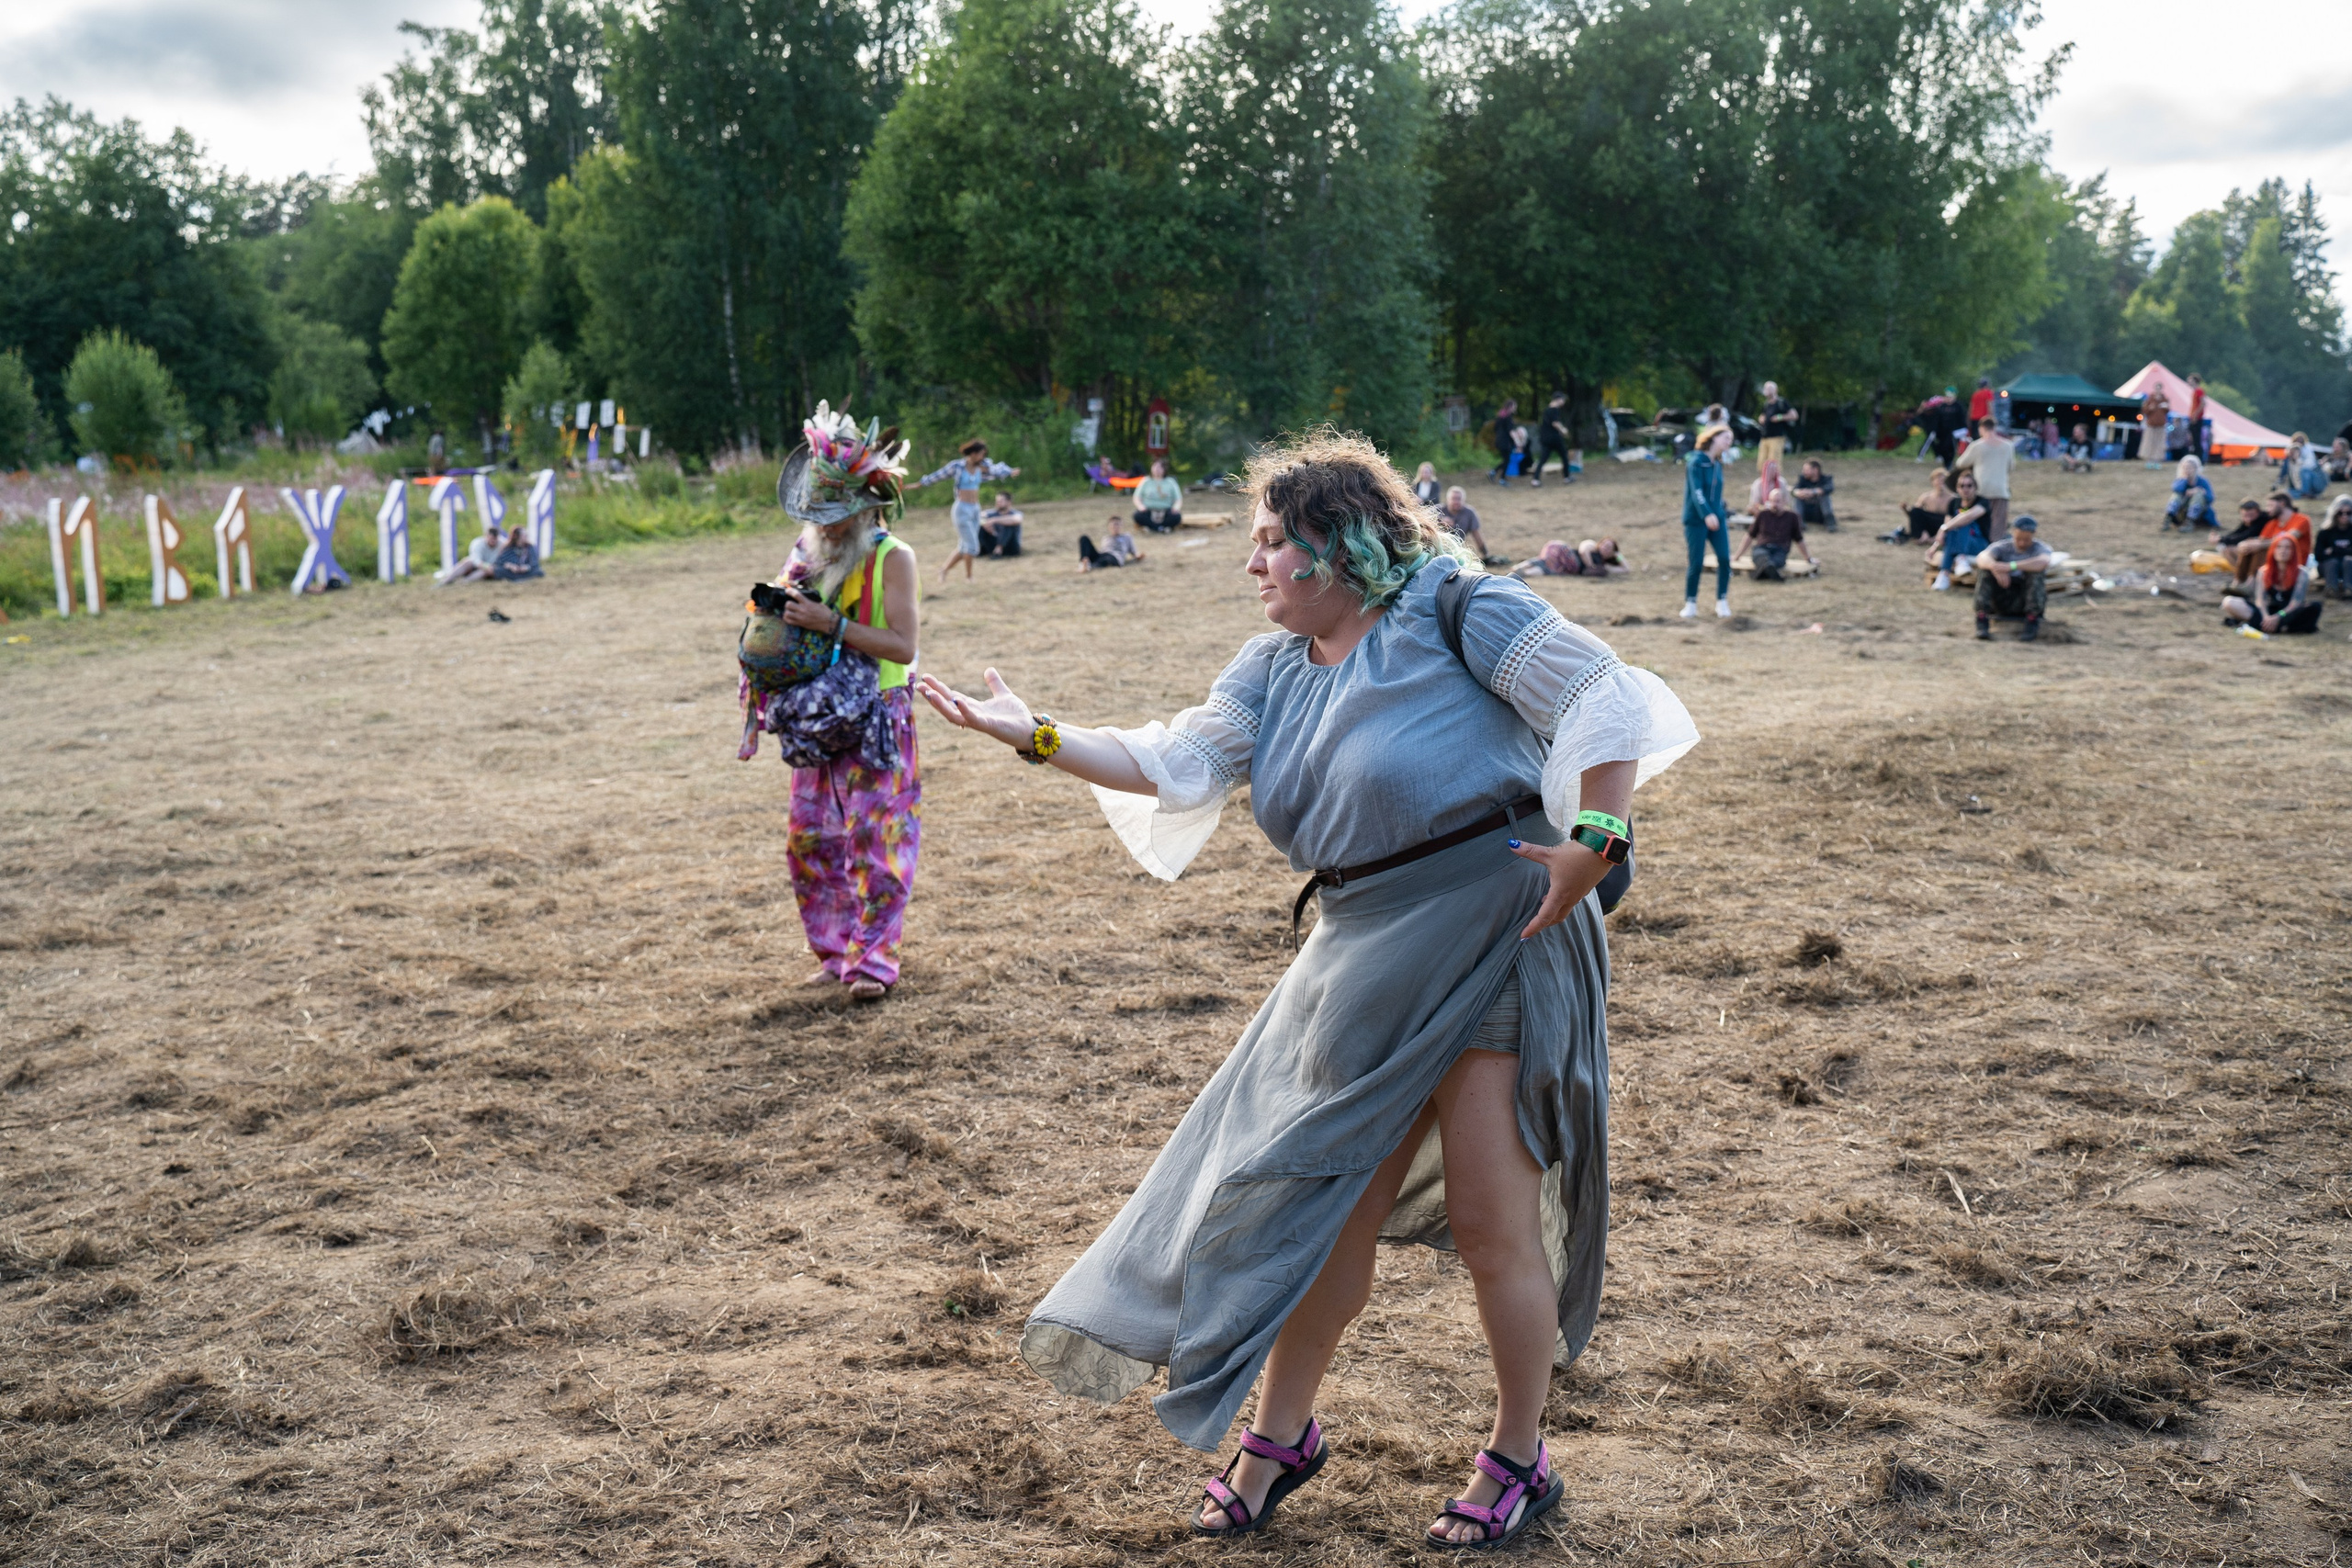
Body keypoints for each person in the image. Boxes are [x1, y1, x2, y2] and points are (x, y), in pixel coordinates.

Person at [913, 429, 1698, 1550]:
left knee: (1489, 1223)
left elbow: (1603, 694)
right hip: (1360, 953)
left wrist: (1598, 835)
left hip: (1498, 924)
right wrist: (1034, 735)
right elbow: (1177, 761)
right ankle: (1282, 1436)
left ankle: (1518, 1458)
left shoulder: (1458, 609)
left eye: (1274, 541)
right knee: (1320, 1206)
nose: (1255, 564)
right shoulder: (1272, 666)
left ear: (1337, 546)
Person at [768, 406, 922, 1002]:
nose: (825, 528)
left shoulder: (894, 557)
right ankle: (835, 952)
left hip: (880, 716)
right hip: (818, 719)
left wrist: (832, 624)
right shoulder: (808, 556)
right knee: (811, 842)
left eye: (835, 517)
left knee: (878, 844)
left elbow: (903, 645)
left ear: (865, 506)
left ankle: (874, 960)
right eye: (818, 517)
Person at [917, 438, 1020, 584]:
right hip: (962, 509)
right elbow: (939, 475)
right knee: (972, 547)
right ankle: (969, 577)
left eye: (984, 454)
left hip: (975, 508)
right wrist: (921, 483)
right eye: (980, 454)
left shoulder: (982, 467)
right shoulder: (957, 466)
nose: (982, 457)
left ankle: (945, 570)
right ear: (972, 453)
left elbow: (997, 470)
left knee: (964, 546)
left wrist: (1010, 472)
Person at [1681, 423, 1734, 619]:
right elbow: (1697, 491)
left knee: (1725, 558)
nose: (1729, 442)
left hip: (1717, 518)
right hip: (1696, 520)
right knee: (1696, 562)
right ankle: (1691, 602)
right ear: (1713, 437)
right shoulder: (1696, 461)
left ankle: (1722, 600)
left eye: (1731, 439)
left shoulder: (1717, 464)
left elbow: (1716, 494)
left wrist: (1719, 511)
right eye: (1726, 437)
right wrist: (1706, 514)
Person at [1973, 513, 2051, 641]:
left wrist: (2011, 566)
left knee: (2036, 573)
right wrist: (1995, 568)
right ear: (2013, 533)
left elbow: (2043, 562)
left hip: (2024, 598)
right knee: (1985, 571)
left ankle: (2032, 620)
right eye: (2018, 539)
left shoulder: (2040, 548)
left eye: (2026, 540)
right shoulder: (2002, 546)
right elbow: (1982, 558)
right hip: (2001, 596)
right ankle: (1982, 618)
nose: (2022, 543)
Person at [2222, 535, 2322, 635]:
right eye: (2279, 547)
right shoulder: (2264, 572)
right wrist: (2266, 616)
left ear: (2293, 551)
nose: (2283, 551)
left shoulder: (2302, 573)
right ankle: (2272, 625)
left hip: (2287, 613)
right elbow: (2260, 600)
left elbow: (2296, 603)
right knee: (2229, 602)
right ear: (2273, 550)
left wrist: (2278, 616)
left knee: (2315, 607)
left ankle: (2265, 625)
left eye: (2288, 548)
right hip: (2268, 611)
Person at [1925, 469, 1992, 590]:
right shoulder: (1953, 503)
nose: (1965, 489)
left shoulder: (1983, 502)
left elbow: (1969, 516)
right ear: (1957, 488)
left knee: (1962, 521)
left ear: (1975, 487)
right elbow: (1946, 527)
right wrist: (1934, 547)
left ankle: (1950, 568)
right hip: (1956, 543)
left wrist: (1943, 528)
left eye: (1969, 485)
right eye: (1962, 486)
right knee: (1953, 529)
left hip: (1979, 544)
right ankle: (1948, 571)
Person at [1951, 416, 2014, 539]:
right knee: (1998, 522)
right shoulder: (2008, 445)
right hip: (2000, 489)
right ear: (1994, 428)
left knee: (1978, 518)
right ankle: (1995, 545)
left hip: (1980, 489)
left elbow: (1960, 463)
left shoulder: (1977, 445)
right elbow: (2011, 467)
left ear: (1981, 428)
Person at [1742, 486, 1814, 581]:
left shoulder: (1792, 517)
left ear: (1784, 501)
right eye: (1772, 501)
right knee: (1761, 556)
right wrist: (1737, 556)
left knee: (1777, 560)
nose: (1774, 504)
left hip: (1780, 549)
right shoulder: (1762, 515)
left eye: (1777, 501)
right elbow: (1750, 536)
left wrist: (1808, 558)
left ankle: (1762, 572)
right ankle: (1769, 570)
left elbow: (1799, 539)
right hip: (1762, 547)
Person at [1440, 486, 1510, 567]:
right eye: (1454, 498)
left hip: (1456, 549)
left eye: (1459, 499)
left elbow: (1477, 534)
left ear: (1463, 500)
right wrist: (1440, 522)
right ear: (1448, 499)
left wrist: (1486, 554)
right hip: (1437, 546)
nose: (1456, 501)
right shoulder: (1438, 510)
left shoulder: (1469, 513)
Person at [1884, 468, 1954, 543]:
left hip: (1944, 524)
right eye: (1939, 480)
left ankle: (1936, 538)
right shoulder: (1926, 497)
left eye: (1944, 480)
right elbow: (1914, 516)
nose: (1941, 482)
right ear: (1933, 482)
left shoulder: (1953, 498)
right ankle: (1922, 535)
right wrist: (1905, 509)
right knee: (1915, 510)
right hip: (1930, 525)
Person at [1510, 538, 1627, 579]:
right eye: (1604, 545)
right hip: (1566, 554)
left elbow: (1626, 569)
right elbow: (1583, 551)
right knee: (1546, 563)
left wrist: (1618, 555)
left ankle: (1521, 571)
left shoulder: (1604, 565)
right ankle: (1520, 569)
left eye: (1609, 548)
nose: (1605, 548)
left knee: (1547, 567)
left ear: (1612, 553)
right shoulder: (1592, 546)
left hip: (1567, 568)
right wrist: (1591, 565)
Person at [434, 523, 505, 585]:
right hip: (477, 565)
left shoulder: (502, 544)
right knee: (467, 561)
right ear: (486, 536)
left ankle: (463, 582)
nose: (493, 541)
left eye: (495, 539)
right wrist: (485, 566)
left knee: (485, 571)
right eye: (491, 539)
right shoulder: (478, 544)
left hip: (489, 570)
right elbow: (476, 560)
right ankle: (447, 580)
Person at [2312, 495, 2352, 600]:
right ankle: (2331, 589)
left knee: (2348, 561)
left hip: (2348, 566)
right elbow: (2318, 555)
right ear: (2335, 513)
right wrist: (2346, 551)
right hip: (2329, 567)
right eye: (2340, 513)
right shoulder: (2325, 532)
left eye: (2348, 513)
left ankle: (2349, 588)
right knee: (2332, 562)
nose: (2344, 516)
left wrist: (2334, 550)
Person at [1530, 393, 1574, 485]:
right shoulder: (1555, 409)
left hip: (1545, 438)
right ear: (1558, 399)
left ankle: (1535, 479)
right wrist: (1563, 430)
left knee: (1543, 458)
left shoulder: (1547, 410)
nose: (1564, 402)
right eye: (1563, 400)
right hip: (1554, 438)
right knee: (1564, 456)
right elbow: (1555, 423)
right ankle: (1567, 477)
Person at [2165, 457, 2215, 532]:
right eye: (2185, 468)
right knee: (2176, 495)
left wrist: (2199, 491)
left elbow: (2210, 498)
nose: (2187, 470)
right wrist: (2184, 480)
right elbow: (2176, 489)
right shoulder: (2180, 480)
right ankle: (2168, 519)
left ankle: (2189, 523)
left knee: (2199, 494)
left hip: (2199, 513)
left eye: (2190, 468)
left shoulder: (2203, 481)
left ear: (2195, 469)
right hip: (2182, 511)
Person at [1078, 513, 1143, 572]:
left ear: (1121, 526)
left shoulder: (1127, 537)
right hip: (1103, 555)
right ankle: (1083, 563)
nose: (1116, 527)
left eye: (1118, 524)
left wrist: (1138, 556)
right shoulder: (1105, 538)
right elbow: (1103, 551)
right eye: (1114, 525)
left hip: (1115, 557)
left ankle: (1089, 567)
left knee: (1107, 560)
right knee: (1084, 538)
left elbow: (1134, 552)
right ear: (1109, 527)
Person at [1134, 457, 1184, 532]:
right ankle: (1159, 528)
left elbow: (1178, 499)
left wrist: (1175, 508)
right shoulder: (1146, 481)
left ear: (1164, 469)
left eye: (1160, 467)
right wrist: (1141, 507)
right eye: (1155, 467)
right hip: (1148, 511)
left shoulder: (1171, 482)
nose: (1157, 469)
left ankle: (1156, 528)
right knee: (1137, 516)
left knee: (1177, 517)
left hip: (1166, 511)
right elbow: (1136, 497)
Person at [1757, 381, 1799, 470]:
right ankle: (1764, 482)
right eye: (1766, 388)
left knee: (1774, 464)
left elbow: (1794, 415)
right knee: (1761, 464)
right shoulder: (1766, 404)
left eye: (1770, 388)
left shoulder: (1782, 402)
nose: (1768, 391)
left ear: (1776, 390)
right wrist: (1761, 418)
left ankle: (1775, 482)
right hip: (1765, 437)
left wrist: (1779, 417)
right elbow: (1763, 415)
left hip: (1777, 437)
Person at [1791, 458, 1837, 531]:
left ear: (1815, 470)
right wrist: (1799, 493)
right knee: (1797, 497)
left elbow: (1829, 488)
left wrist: (1812, 492)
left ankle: (1830, 523)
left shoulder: (1826, 479)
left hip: (1819, 513)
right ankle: (1799, 523)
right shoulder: (1802, 479)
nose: (1804, 472)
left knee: (1824, 496)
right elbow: (1794, 491)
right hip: (1806, 512)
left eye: (1806, 470)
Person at [978, 492, 1024, 558]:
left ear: (1009, 502)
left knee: (1009, 524)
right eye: (997, 501)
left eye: (1001, 501)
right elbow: (976, 518)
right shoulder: (990, 513)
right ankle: (981, 549)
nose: (998, 503)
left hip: (1011, 546)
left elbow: (1016, 520)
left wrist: (994, 520)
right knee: (980, 525)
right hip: (994, 540)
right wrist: (985, 524)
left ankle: (999, 549)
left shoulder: (1016, 513)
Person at [1489, 400, 1520, 486]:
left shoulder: (1500, 416)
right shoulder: (1508, 417)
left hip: (1499, 440)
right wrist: (1517, 442)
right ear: (1510, 407)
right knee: (1507, 460)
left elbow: (1495, 429)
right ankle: (1502, 479)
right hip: (1505, 442)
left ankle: (1493, 473)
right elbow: (1511, 431)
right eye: (1514, 406)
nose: (1515, 408)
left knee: (1506, 460)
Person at [2139, 383, 2169, 464]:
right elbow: (2145, 410)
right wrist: (2150, 408)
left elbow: (2167, 411)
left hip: (2161, 425)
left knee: (2159, 443)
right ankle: (2149, 460)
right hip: (2151, 425)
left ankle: (2157, 460)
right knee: (2149, 443)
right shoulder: (2150, 399)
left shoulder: (2165, 399)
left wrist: (2166, 407)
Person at [2185, 374, 2208, 461]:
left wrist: (2195, 415)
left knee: (2196, 439)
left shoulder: (2199, 391)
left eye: (2190, 380)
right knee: (2194, 439)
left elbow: (2203, 403)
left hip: (2197, 418)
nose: (2188, 382)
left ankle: (2199, 458)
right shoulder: (2195, 391)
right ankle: (2196, 457)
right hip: (2194, 417)